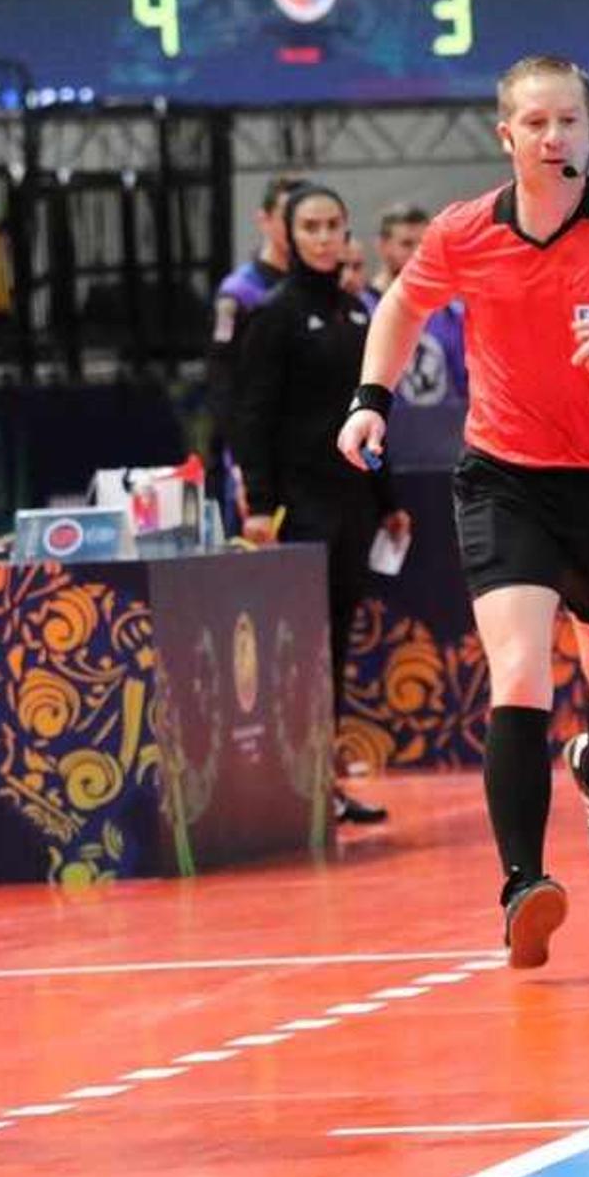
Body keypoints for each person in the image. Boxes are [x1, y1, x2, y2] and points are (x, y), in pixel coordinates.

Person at [337, 55, 589, 970]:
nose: (556, 138)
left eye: (571, 122)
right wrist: (371, 399)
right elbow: (401, 309)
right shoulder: (465, 232)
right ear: (507, 136)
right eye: (537, 124)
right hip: (506, 477)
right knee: (517, 671)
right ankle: (524, 884)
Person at [233, 183, 403, 826]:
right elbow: (251, 416)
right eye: (311, 226)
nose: (325, 236)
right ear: (286, 232)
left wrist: (387, 497)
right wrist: (260, 502)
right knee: (299, 649)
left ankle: (325, 782)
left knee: (336, 645)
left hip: (353, 503)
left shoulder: (360, 312)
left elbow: (375, 410)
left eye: (334, 224)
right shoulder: (272, 314)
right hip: (300, 508)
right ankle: (296, 786)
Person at [208, 173, 308, 529]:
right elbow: (224, 388)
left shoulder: (318, 289)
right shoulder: (239, 293)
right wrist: (240, 466)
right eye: (287, 217)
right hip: (255, 457)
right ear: (264, 220)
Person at [364, 203, 469, 469]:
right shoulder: (363, 307)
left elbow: (464, 383)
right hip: (383, 448)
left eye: (422, 244)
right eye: (406, 244)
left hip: (442, 452)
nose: (415, 254)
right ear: (383, 246)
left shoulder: (450, 312)